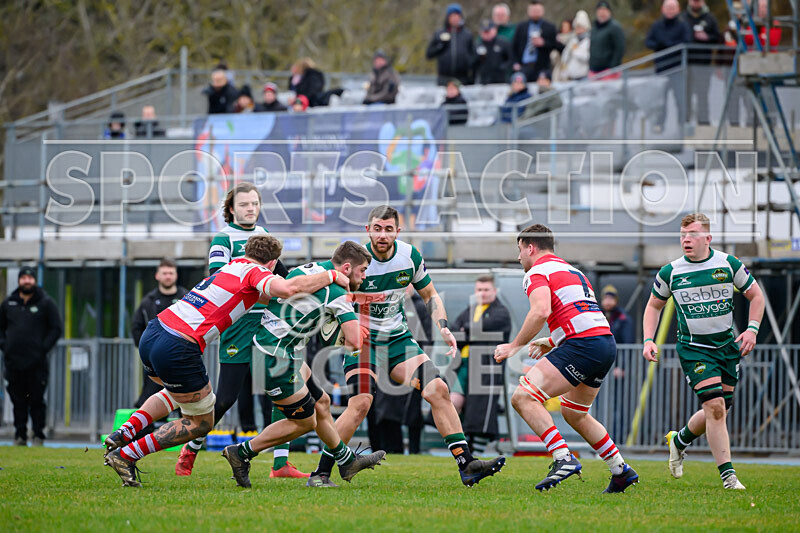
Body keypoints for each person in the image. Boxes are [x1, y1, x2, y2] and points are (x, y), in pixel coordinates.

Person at [103, 235, 350, 487]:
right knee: (201, 423)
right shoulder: (255, 272)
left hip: (155, 331)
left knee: (174, 393)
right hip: (179, 345)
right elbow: (288, 289)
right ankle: (126, 455)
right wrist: (331, 276)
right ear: (273, 262)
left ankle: (126, 430)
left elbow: (275, 298)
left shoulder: (231, 267)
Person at [308, 206, 506, 488]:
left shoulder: (409, 256)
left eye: (389, 229)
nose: (383, 235)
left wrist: (444, 326)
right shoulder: (355, 259)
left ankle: (467, 464)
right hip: (363, 341)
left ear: (398, 231)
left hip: (398, 339)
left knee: (438, 389)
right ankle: (321, 472)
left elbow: (430, 294)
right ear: (368, 230)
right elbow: (324, 285)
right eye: (377, 228)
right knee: (361, 403)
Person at [224, 241, 386, 488]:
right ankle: (242, 452)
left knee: (322, 402)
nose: (364, 277)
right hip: (274, 358)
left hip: (275, 348)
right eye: (362, 270)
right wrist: (347, 332)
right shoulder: (338, 293)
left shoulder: (309, 269)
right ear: (346, 268)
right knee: (305, 422)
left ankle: (345, 460)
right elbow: (354, 342)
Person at [175, 183, 307, 479]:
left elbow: (284, 276)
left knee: (285, 390)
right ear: (231, 209)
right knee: (225, 399)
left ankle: (280, 464)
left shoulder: (264, 237)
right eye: (244, 204)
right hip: (237, 325)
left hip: (269, 324)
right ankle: (190, 449)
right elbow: (220, 280)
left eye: (255, 203)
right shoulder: (223, 238)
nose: (251, 208)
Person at [494, 224, 639, 494]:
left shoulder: (536, 272)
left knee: (523, 397)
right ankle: (621, 470)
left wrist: (515, 345)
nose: (518, 258)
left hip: (583, 345)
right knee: (575, 412)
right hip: (604, 344)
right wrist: (550, 341)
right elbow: (581, 314)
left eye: (519, 251)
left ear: (530, 247)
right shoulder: (572, 270)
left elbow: (540, 311)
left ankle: (563, 457)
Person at [644, 213, 765, 490]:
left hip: (726, 347)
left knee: (721, 409)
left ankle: (679, 440)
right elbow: (653, 306)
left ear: (708, 238)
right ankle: (729, 476)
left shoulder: (728, 264)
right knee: (715, 407)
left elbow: (756, 296)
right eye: (683, 234)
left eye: (693, 234)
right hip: (694, 349)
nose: (687, 239)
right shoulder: (670, 272)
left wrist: (752, 329)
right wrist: (648, 339)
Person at [0, 267, 63, 446]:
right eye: (23, 278)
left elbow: (56, 328)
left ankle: (38, 435)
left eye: (30, 278)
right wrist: (6, 346)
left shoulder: (45, 302)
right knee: (17, 399)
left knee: (36, 399)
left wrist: (43, 348)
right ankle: (20, 435)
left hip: (37, 362)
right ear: (19, 281)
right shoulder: (8, 304)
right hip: (13, 362)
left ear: (34, 280)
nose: (27, 281)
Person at [451, 275, 511, 455]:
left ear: (495, 291)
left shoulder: (501, 312)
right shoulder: (470, 310)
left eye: (486, 290)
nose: (482, 293)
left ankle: (475, 454)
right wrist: (469, 331)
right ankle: (463, 447)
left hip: (486, 368)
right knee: (453, 402)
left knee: (481, 412)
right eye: (479, 290)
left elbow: (481, 327)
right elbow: (455, 331)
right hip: (464, 364)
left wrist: (467, 330)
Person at [131, 260, 188, 410]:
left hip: (181, 358)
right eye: (164, 273)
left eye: (171, 273)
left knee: (186, 397)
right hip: (154, 360)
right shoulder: (148, 301)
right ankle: (143, 429)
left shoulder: (187, 297)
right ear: (157, 276)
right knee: (150, 396)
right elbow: (136, 328)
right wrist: (147, 352)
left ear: (176, 275)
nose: (168, 276)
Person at [646, 0, 691, 131]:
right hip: (661, 69)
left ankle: (682, 124)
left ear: (678, 10)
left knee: (680, 99)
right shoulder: (656, 26)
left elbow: (687, 42)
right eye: (668, 8)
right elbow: (649, 42)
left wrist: (669, 45)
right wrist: (661, 44)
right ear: (662, 9)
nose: (670, 11)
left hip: (678, 68)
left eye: (673, 8)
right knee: (659, 100)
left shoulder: (683, 25)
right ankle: (659, 124)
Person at [685, 0, 722, 126]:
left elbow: (718, 38)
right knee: (686, 94)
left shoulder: (710, 18)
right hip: (686, 63)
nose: (695, 4)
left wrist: (707, 38)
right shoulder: (683, 18)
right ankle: (686, 120)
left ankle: (704, 121)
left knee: (703, 94)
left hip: (704, 63)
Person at [511, 1, 563, 84]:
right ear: (528, 11)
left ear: (542, 11)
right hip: (524, 65)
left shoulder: (550, 27)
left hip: (542, 67)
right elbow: (514, 47)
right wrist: (515, 63)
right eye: (533, 11)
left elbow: (558, 46)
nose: (535, 13)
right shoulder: (521, 27)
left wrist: (544, 43)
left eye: (537, 11)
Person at [425, 3, 477, 86]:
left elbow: (474, 55)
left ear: (460, 17)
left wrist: (468, 65)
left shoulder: (467, 35)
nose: (455, 19)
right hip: (444, 78)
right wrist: (441, 46)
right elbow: (429, 54)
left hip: (462, 78)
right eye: (452, 16)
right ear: (448, 17)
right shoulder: (439, 33)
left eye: (457, 16)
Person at [589, 1, 626, 78]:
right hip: (594, 71)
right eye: (600, 10)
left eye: (604, 10)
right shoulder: (594, 28)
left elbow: (620, 48)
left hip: (609, 72)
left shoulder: (615, 27)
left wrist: (612, 68)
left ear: (609, 12)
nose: (602, 13)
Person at [475, 19, 514, 85]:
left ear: (495, 30)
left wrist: (502, 68)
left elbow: (511, 59)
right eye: (484, 31)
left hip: (501, 80)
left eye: (488, 31)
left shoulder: (503, 43)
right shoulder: (477, 45)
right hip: (483, 81)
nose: (486, 34)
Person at [558, 11, 591, 81]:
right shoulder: (573, 40)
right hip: (571, 77)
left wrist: (575, 52)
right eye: (576, 27)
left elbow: (587, 57)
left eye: (580, 27)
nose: (578, 29)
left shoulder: (589, 41)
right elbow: (565, 56)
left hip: (584, 77)